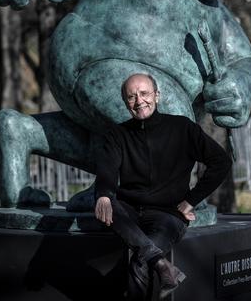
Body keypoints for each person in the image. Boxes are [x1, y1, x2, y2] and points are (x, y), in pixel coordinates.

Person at [94, 73, 231, 300]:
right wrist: (104, 195)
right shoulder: (117, 134)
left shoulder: (182, 128)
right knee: (104, 201)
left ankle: (155, 262)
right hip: (128, 212)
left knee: (141, 260)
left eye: (144, 93)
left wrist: (191, 200)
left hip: (168, 214)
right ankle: (160, 263)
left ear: (157, 95)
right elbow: (107, 171)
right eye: (131, 97)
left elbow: (221, 162)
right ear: (125, 102)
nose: (139, 101)